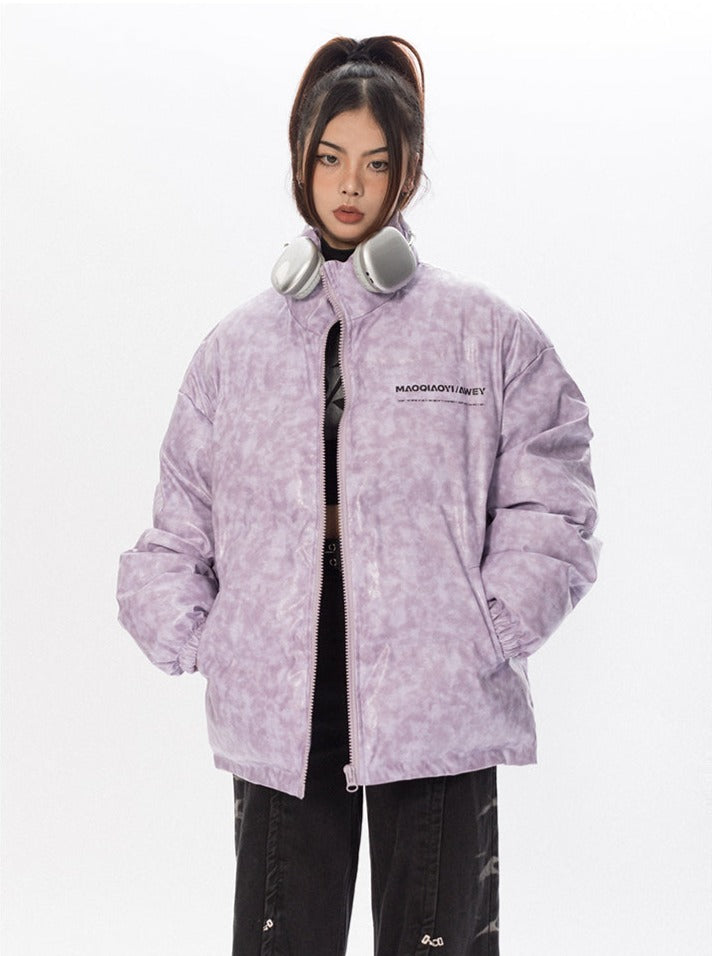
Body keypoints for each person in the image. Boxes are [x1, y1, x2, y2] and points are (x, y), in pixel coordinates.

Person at [116, 34, 602, 956]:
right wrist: (209, 639)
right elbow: (179, 523)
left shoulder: (484, 332)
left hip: (437, 688)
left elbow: (555, 490)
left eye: (376, 164)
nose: (350, 185)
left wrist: (491, 625)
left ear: (405, 172)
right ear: (301, 162)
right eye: (331, 158)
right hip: (284, 698)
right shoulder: (234, 351)